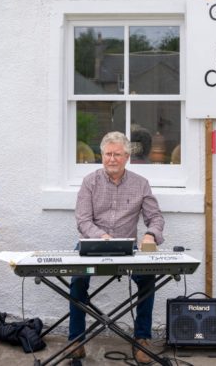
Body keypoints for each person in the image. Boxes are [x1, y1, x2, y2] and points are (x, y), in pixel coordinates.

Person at [68, 131, 165, 364]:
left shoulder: (141, 184)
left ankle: (141, 339)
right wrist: (101, 236)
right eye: (108, 154)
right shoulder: (89, 182)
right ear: (102, 155)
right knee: (78, 278)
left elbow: (156, 218)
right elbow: (83, 221)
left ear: (127, 157)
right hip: (92, 245)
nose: (112, 159)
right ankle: (76, 339)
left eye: (117, 154)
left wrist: (151, 235)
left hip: (127, 250)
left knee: (148, 278)